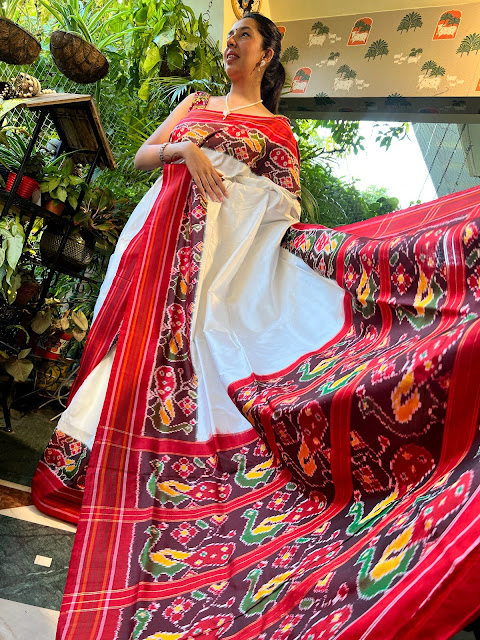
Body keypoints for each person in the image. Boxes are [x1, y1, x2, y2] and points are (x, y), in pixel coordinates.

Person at [32, 12, 480, 640]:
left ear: (268, 53)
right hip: (161, 245)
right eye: (228, 37)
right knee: (136, 354)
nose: (230, 44)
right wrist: (186, 147)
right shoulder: (195, 102)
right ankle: (95, 466)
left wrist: (251, 210)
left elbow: (288, 207)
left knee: (201, 356)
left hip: (227, 263)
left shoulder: (276, 131)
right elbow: (139, 159)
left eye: (243, 36)